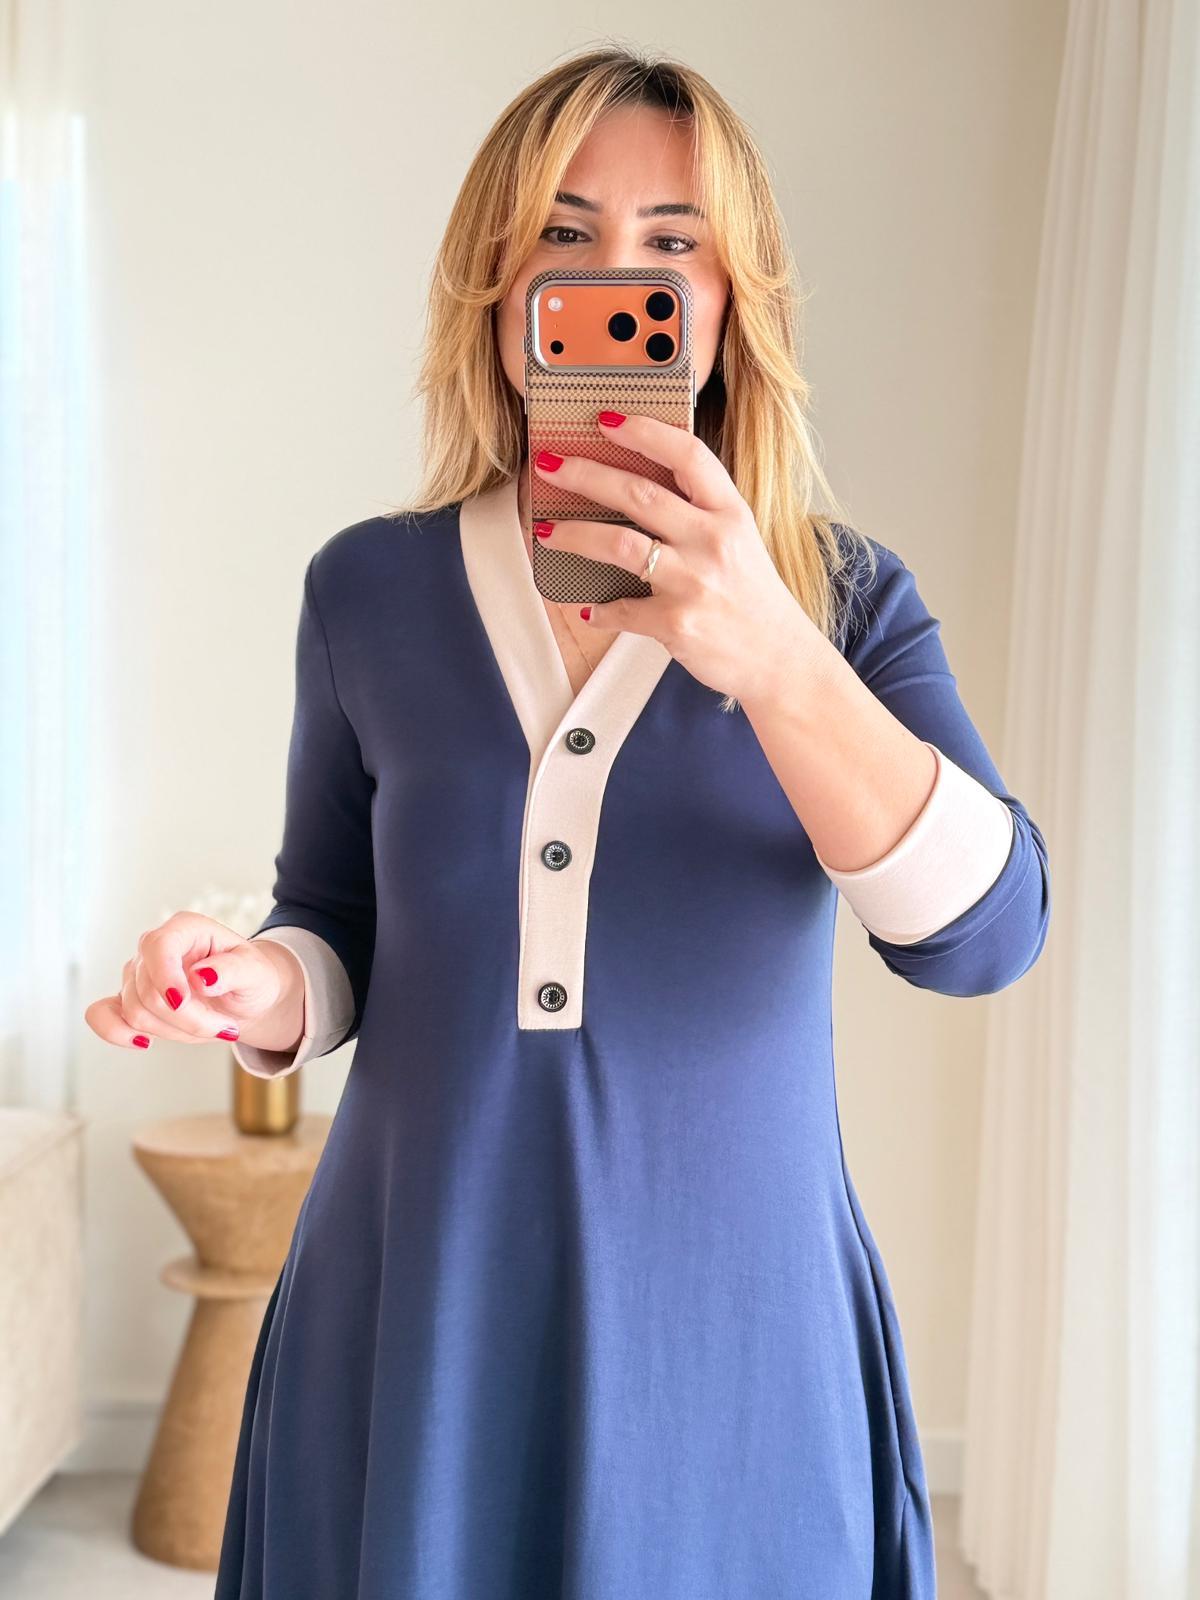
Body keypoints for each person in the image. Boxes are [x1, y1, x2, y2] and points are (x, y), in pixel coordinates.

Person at [85, 46, 1051, 1599]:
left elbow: (986, 940)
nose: (614, 279)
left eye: (672, 246)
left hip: (731, 1324)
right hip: (421, 1297)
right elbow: (332, 917)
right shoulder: (368, 588)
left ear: (730, 306)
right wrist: (255, 982)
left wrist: (776, 657)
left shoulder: (845, 599)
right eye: (565, 233)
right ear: (497, 289)